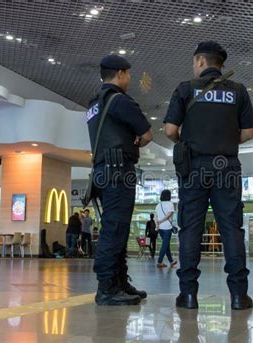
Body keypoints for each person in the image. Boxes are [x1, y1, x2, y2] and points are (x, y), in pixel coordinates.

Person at [164, 41, 253, 310]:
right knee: (231, 229)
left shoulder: (184, 89)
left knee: (190, 229)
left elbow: (170, 130)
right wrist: (225, 141)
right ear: (221, 64)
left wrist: (191, 140)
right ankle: (239, 295)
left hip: (193, 166)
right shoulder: (237, 91)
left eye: (194, 62)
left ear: (201, 61)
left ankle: (188, 295)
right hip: (227, 166)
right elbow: (249, 132)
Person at [87, 54, 153, 306]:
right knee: (114, 230)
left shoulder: (94, 103)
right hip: (118, 171)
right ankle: (106, 287)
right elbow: (146, 133)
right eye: (129, 74)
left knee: (115, 228)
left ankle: (119, 282)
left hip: (102, 170)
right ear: (121, 74)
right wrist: (137, 140)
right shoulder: (119, 100)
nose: (130, 78)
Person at [155, 190, 177, 268]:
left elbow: (155, 216)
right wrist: (160, 221)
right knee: (165, 244)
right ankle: (159, 261)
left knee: (166, 244)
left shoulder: (158, 205)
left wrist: (157, 224)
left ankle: (171, 261)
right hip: (167, 228)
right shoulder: (170, 204)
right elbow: (168, 215)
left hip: (160, 228)